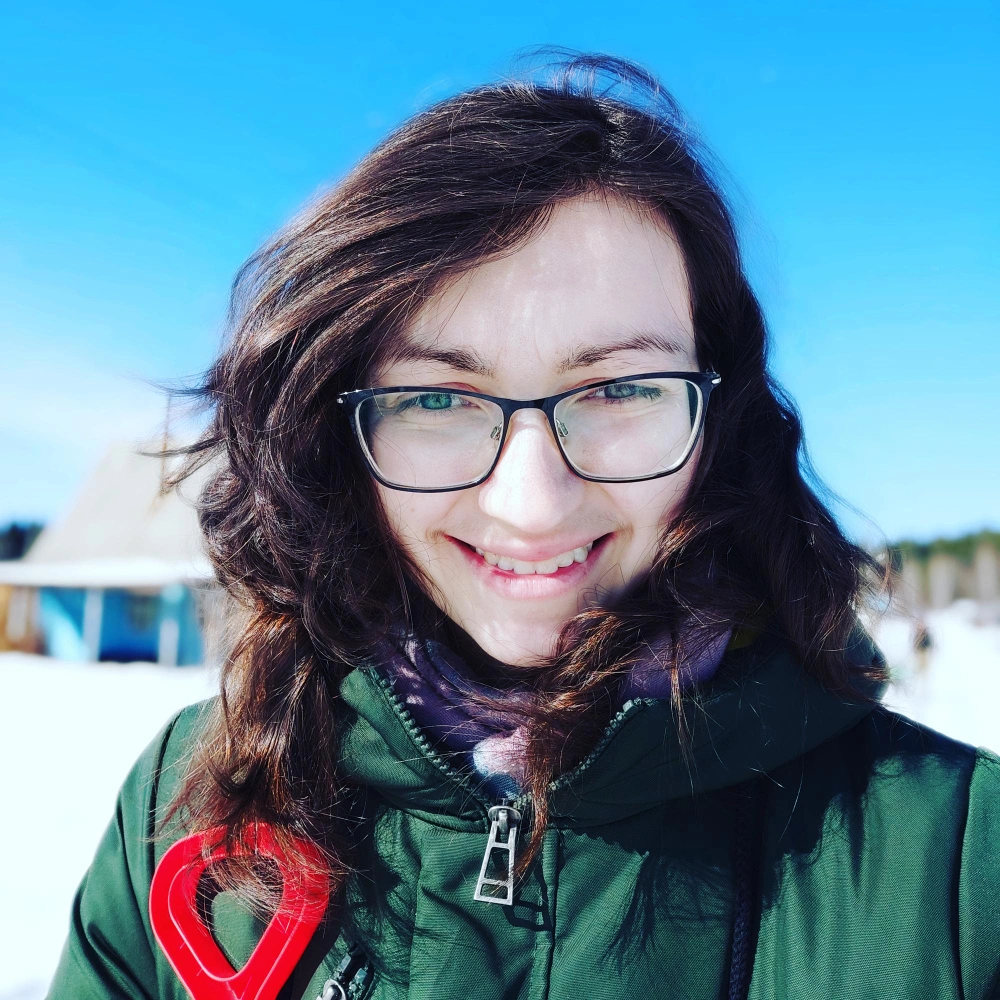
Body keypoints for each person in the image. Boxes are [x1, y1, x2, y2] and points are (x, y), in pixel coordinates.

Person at [49, 55, 1000, 1000]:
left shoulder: (962, 866)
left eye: (620, 387)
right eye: (437, 398)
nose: (530, 503)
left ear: (723, 417)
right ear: (335, 430)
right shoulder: (184, 809)